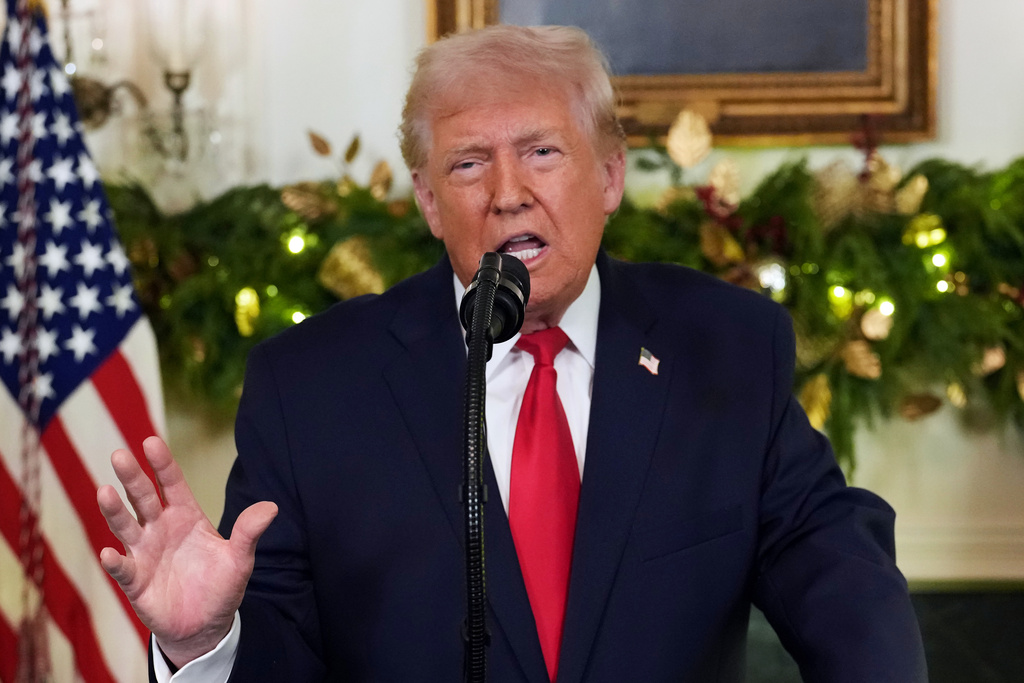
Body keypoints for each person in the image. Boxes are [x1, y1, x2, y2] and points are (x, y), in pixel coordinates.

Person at [97, 24, 927, 682]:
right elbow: (280, 658)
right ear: (427, 201)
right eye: (467, 164)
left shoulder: (728, 346)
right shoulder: (311, 387)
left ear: (608, 176)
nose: (506, 193)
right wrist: (205, 642)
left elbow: (834, 570)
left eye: (541, 151)